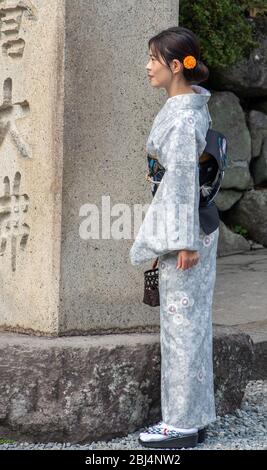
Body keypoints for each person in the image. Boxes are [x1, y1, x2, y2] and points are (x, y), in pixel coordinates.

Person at [129, 26, 219, 449]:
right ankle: (194, 416)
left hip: (188, 232)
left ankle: (180, 423)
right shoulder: (189, 105)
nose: (147, 67)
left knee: (181, 328)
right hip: (193, 224)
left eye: (153, 59)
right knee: (192, 325)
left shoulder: (182, 116)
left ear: (175, 66)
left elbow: (182, 179)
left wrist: (182, 242)